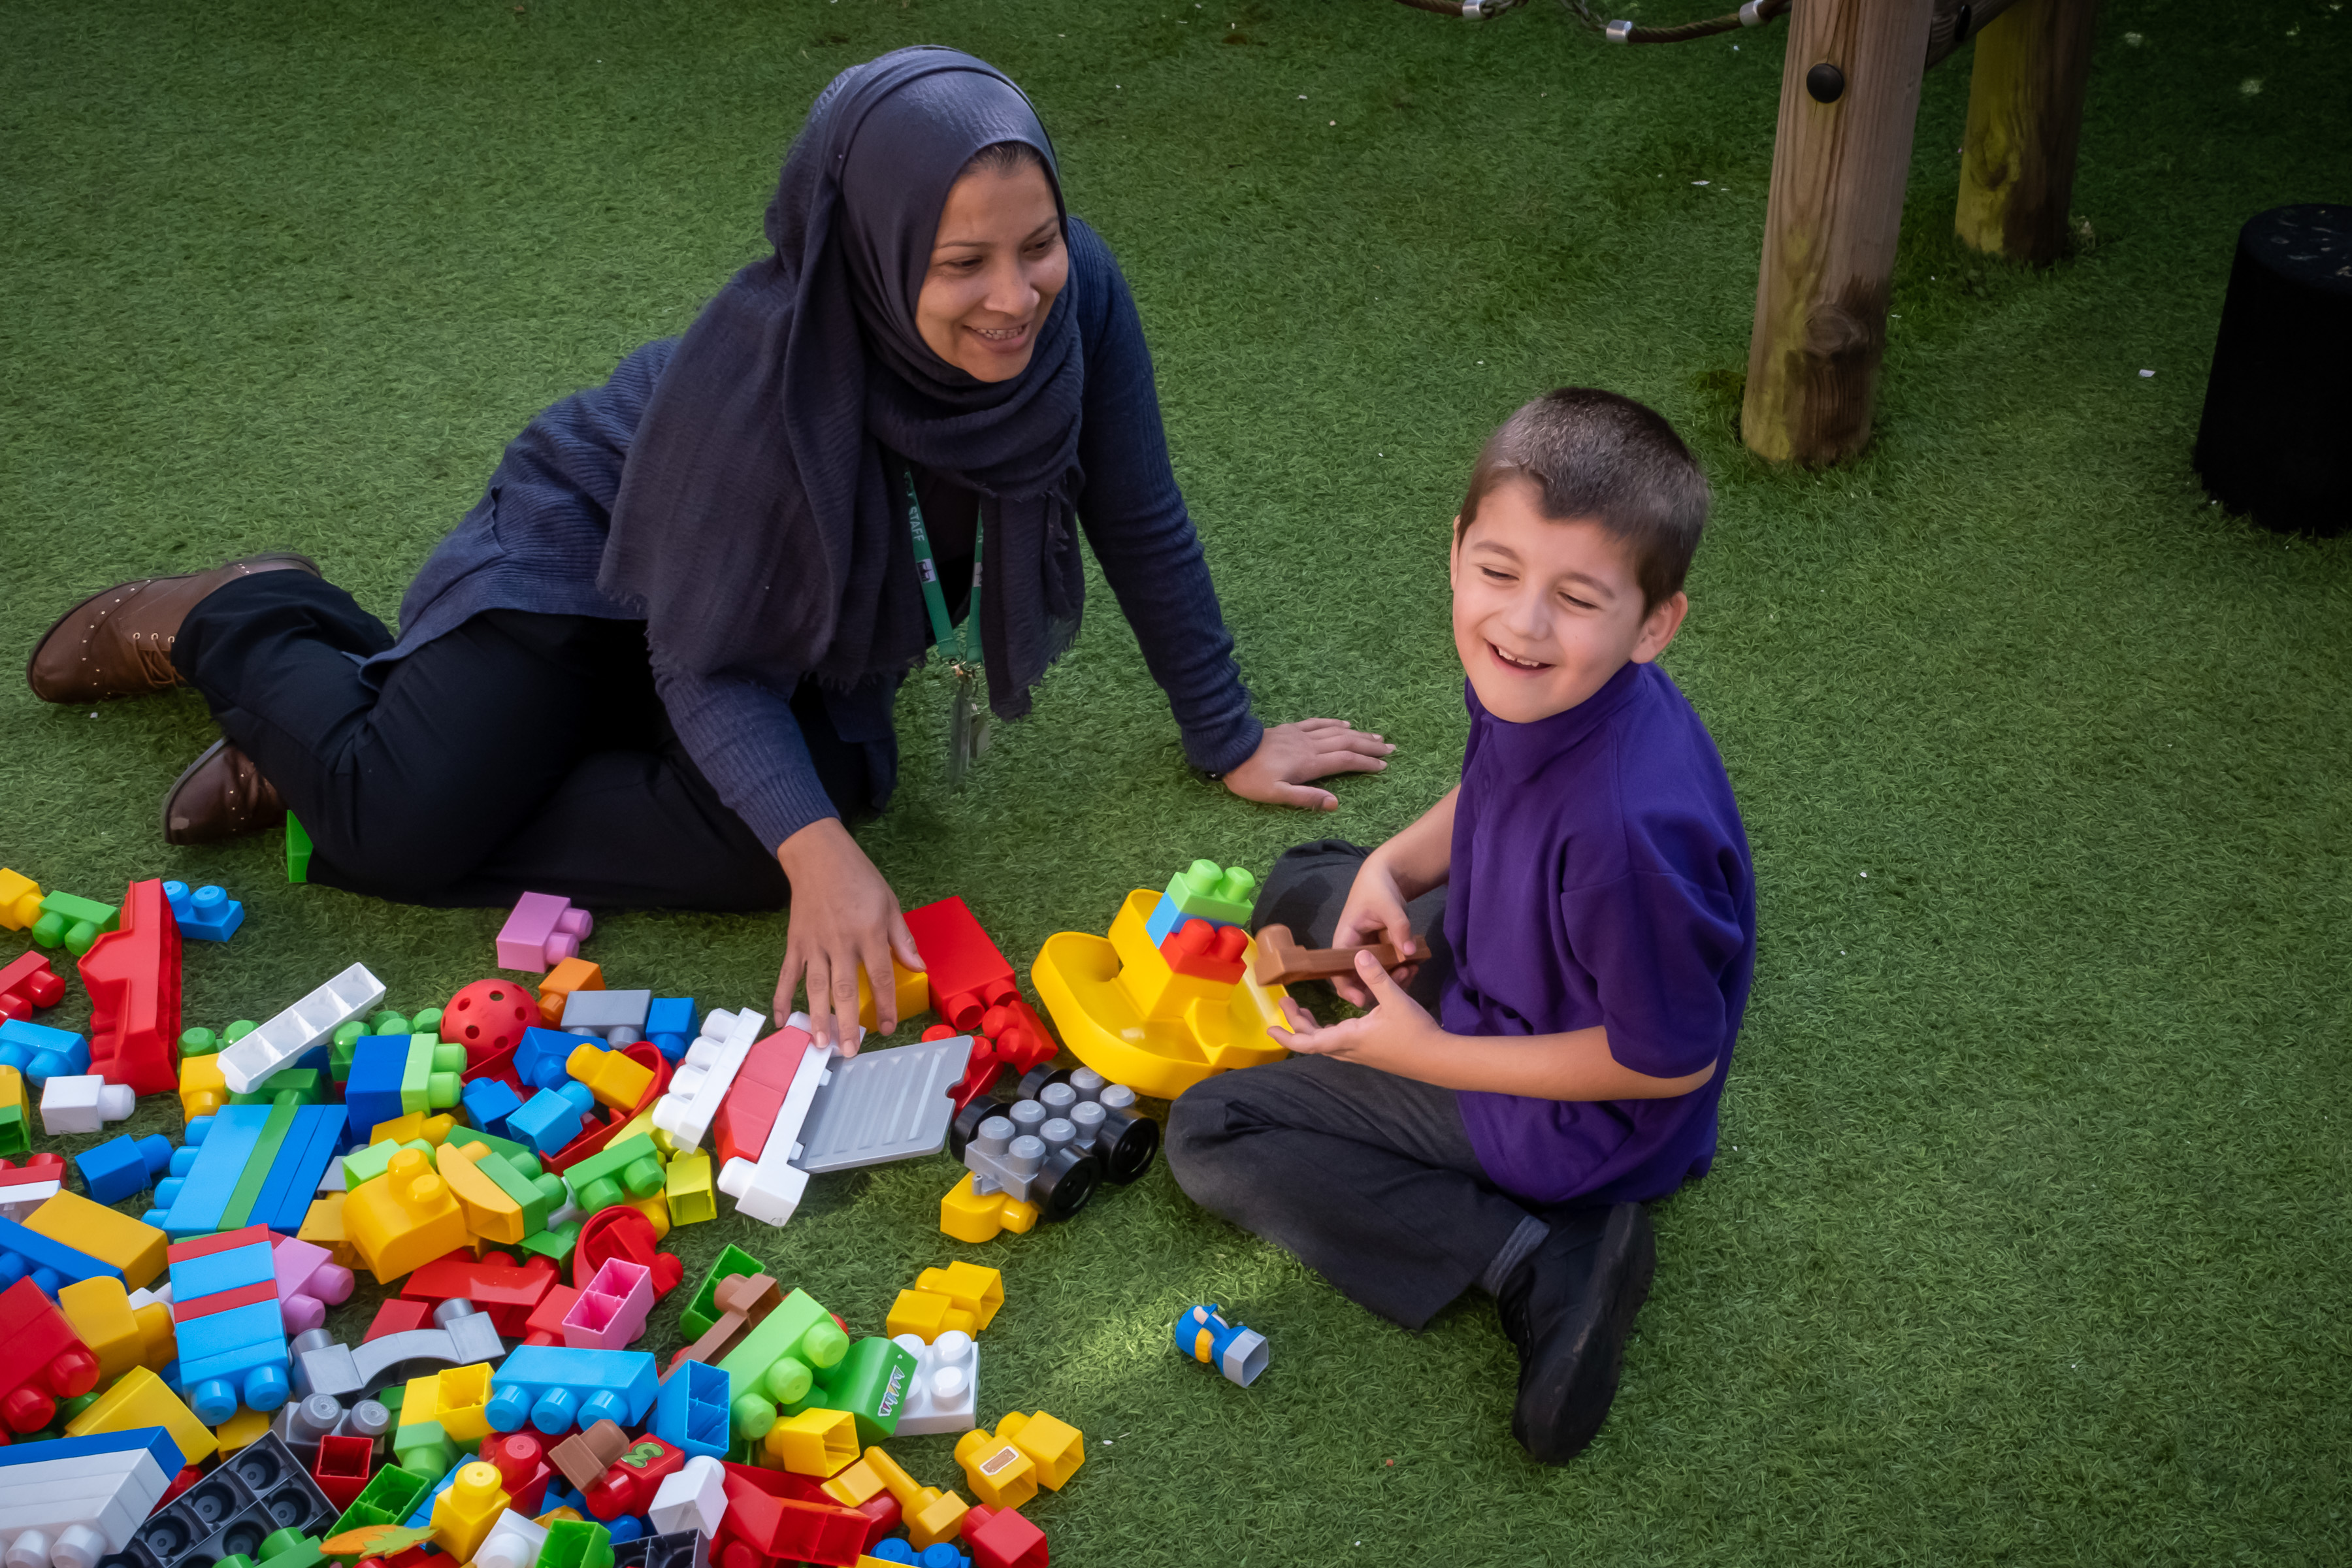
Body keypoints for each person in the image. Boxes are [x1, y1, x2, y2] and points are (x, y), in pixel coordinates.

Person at [22, 47, 1389, 1051]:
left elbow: (1135, 507)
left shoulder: (1080, 296)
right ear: (870, 247)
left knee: (791, 834)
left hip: (806, 623)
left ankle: (372, 738)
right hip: (594, 565)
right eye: (959, 263)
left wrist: (1227, 733)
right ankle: (253, 621)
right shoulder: (764, 383)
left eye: (1033, 247)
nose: (1015, 296)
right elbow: (703, 659)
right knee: (394, 827)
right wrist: (813, 848)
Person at [1164, 388, 1755, 1464]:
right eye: (1498, 573)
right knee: (1310, 885)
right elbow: (1494, 790)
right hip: (1505, 967)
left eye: (1577, 597)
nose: (1521, 623)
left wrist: (1430, 1054)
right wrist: (1387, 866)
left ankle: (1539, 1257)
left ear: (1654, 625)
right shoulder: (1550, 683)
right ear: (1457, 552)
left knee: (1213, 1133)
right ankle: (1397, 968)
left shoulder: (1624, 837)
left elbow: (1669, 1063)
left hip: (1578, 1117)